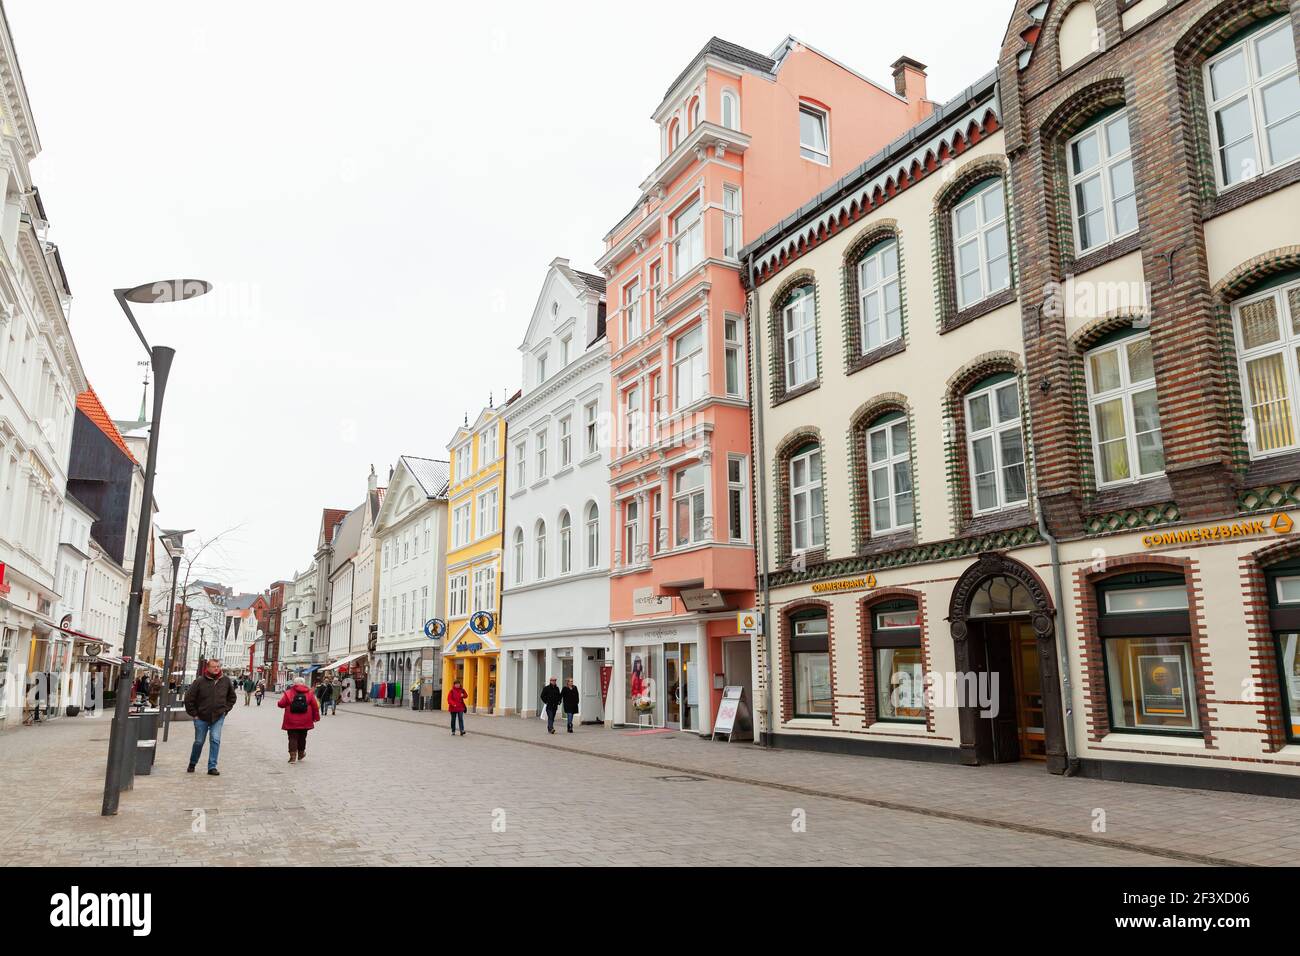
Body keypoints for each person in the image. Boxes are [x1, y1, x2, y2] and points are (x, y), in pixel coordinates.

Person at [183, 659, 236, 776]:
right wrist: (194, 714)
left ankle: (212, 767)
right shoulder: (199, 681)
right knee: (199, 741)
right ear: (208, 668)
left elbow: (232, 697)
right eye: (213, 666)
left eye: (218, 666)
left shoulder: (225, 681)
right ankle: (192, 763)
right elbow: (189, 698)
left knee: (215, 740)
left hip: (218, 717)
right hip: (201, 717)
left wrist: (225, 710)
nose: (216, 668)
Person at [277, 674, 321, 763]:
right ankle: (301, 754)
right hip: (306, 720)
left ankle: (292, 757)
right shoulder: (309, 693)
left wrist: (281, 702)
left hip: (291, 720)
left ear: (294, 683)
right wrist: (316, 717)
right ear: (304, 683)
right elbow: (315, 706)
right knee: (302, 737)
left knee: (292, 737)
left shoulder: (289, 692)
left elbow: (281, 704)